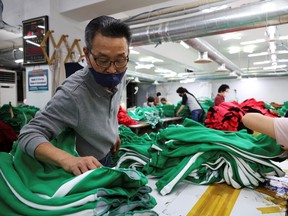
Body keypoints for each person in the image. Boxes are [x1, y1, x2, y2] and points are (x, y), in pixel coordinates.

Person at [18, 16, 131, 176]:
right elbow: (29, 134)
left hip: (108, 155)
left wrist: (112, 132)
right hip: (86, 169)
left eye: (119, 60)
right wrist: (68, 160)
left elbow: (109, 107)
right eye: (103, 60)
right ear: (86, 54)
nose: (112, 70)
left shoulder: (120, 73)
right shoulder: (73, 93)